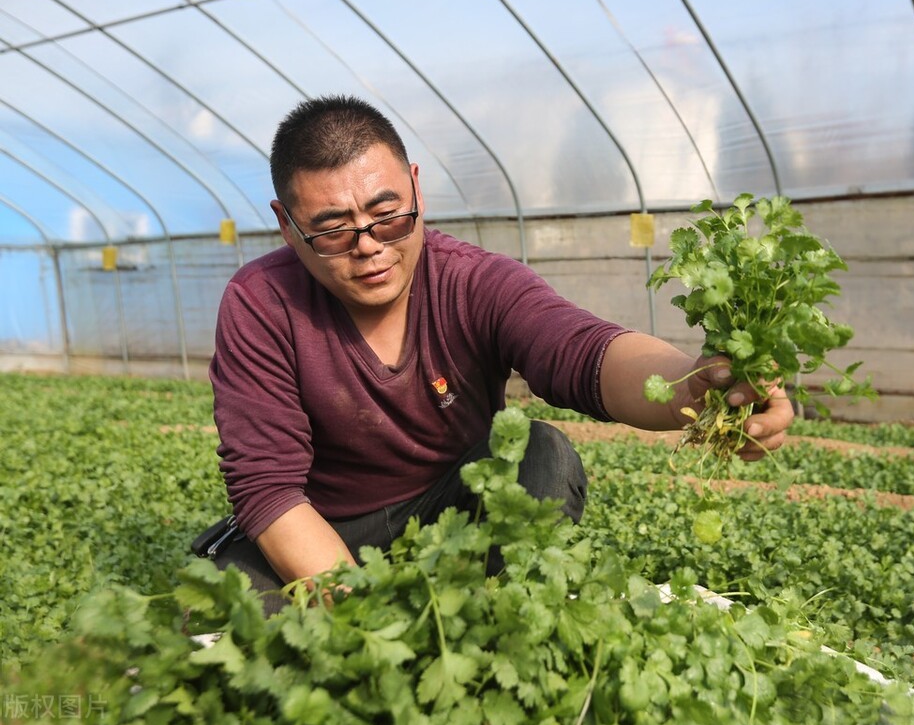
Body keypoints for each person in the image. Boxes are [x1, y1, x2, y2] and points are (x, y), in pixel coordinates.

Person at [206, 94, 792, 611]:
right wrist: (365, 618)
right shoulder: (262, 303)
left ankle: (486, 606)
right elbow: (268, 488)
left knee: (542, 455)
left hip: (455, 517)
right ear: (287, 225)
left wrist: (692, 386)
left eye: (388, 216)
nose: (371, 248)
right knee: (224, 611)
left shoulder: (474, 283)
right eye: (333, 229)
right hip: (328, 526)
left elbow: (580, 351)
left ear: (416, 186)